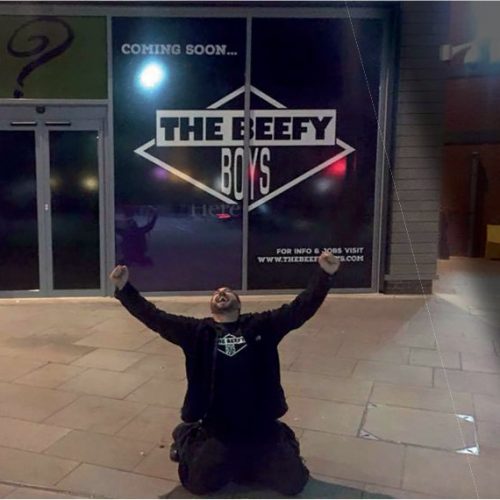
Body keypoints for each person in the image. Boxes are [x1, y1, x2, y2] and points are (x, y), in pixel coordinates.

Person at [109, 251, 340, 495]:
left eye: (228, 291)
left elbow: (300, 308)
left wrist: (325, 275)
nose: (221, 293)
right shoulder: (197, 332)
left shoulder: (262, 325)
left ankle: (281, 438)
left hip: (260, 424)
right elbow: (155, 317)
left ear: (238, 304)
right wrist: (125, 289)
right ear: (211, 305)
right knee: (199, 484)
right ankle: (187, 435)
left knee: (294, 484)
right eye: (217, 292)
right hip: (218, 428)